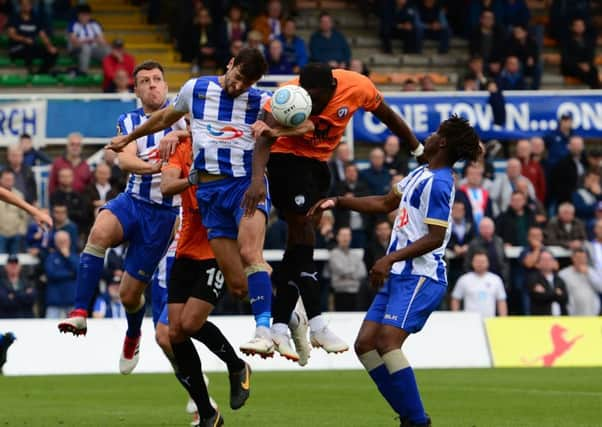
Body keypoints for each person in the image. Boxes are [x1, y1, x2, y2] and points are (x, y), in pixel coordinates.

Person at [308, 115, 482, 427]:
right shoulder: (420, 173)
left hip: (421, 276)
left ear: (441, 142)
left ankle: (416, 420)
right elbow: (383, 203)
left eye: (433, 134)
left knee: (388, 342)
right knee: (364, 346)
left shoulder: (441, 183)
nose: (426, 137)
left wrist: (388, 259)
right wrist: (337, 201)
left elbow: (435, 237)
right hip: (399, 272)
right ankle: (410, 417)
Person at [246, 63, 425, 364]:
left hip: (318, 166)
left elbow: (388, 116)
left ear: (331, 88)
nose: (310, 102)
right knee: (303, 229)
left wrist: (416, 148)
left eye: (316, 97)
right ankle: (316, 321)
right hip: (286, 160)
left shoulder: (357, 87)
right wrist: (256, 179)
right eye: (307, 95)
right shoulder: (286, 94)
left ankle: (280, 323)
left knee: (299, 243)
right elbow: (264, 135)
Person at [106, 48, 279, 360]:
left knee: (251, 252)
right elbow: (163, 117)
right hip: (211, 193)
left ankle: (265, 329)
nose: (239, 87)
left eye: (247, 84)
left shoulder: (261, 101)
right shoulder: (196, 89)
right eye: (238, 78)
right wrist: (128, 137)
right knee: (239, 285)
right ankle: (288, 313)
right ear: (231, 63)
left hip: (245, 187)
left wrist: (273, 129)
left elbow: (305, 125)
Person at [58, 61, 186, 376]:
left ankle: (132, 334)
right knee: (99, 230)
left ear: (166, 85)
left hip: (166, 214)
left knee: (130, 295)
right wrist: (158, 167)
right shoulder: (128, 120)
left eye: (158, 79)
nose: (153, 85)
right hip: (133, 200)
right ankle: (79, 311)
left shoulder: (184, 118)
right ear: (137, 90)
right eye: (145, 81)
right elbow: (125, 161)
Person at [160, 132, 251, 426]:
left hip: (217, 249)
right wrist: (191, 180)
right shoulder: (181, 147)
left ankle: (237, 366)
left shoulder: (230, 149)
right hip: (185, 250)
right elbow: (165, 186)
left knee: (190, 323)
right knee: (175, 334)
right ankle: (208, 414)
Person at [450, 251, 507, 318]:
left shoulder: (496, 279)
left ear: (488, 263)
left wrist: (503, 319)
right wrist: (455, 317)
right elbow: (455, 299)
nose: (480, 264)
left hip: (490, 321)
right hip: (469, 321)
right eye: (477, 261)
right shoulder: (464, 279)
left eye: (482, 261)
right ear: (472, 262)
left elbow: (501, 301)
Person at [6, 0, 57, 74]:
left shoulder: (36, 19)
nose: (27, 6)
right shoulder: (14, 18)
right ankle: (30, 69)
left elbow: (43, 35)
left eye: (29, 4)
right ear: (20, 6)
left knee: (53, 52)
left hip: (31, 47)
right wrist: (24, 39)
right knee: (29, 45)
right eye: (25, 4)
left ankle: (41, 73)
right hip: (16, 48)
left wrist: (50, 46)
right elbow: (12, 35)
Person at [328, 227, 367, 311]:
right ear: (337, 237)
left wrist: (345, 275)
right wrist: (353, 272)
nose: (345, 238)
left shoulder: (355, 255)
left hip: (356, 293)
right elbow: (341, 270)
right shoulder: (334, 254)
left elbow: (362, 272)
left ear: (351, 237)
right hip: (340, 293)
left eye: (347, 235)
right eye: (343, 235)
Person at [67, 3, 110, 75]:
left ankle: (109, 73)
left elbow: (102, 40)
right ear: (78, 15)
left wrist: (99, 41)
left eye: (87, 15)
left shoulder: (94, 24)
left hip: (93, 48)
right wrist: (87, 40)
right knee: (86, 48)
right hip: (77, 48)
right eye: (83, 15)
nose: (85, 17)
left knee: (107, 50)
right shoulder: (73, 24)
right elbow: (73, 41)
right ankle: (83, 72)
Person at [558, 248, 602, 315]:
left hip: (592, 312)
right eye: (578, 257)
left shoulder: (592, 272)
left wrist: (588, 274)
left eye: (583, 258)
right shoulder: (563, 274)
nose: (581, 260)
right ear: (573, 258)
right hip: (572, 313)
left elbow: (600, 288)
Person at [526, 250, 568, 315]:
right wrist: (555, 293)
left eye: (549, 259)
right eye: (544, 260)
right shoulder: (533, 278)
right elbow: (539, 297)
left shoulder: (559, 279)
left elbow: (564, 298)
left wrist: (547, 292)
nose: (547, 262)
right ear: (538, 263)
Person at [0, 170, 29, 254]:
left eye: (11, 179)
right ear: (0, 180)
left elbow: (24, 215)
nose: (9, 181)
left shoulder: (19, 195)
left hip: (16, 233)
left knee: (15, 260)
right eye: (6, 179)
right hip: (0, 233)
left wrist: (21, 230)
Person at [0, 253, 36, 318]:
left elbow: (32, 299)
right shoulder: (1, 283)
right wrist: (23, 294)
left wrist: (13, 296)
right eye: (11, 264)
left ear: (20, 266)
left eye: (15, 264)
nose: (13, 266)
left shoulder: (28, 282)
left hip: (26, 320)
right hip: (7, 320)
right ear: (6, 266)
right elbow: (4, 301)